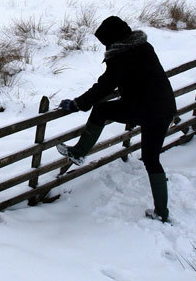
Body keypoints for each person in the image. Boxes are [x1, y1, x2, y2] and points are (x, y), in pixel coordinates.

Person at [57, 16, 177, 222]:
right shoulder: (144, 47)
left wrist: (77, 104)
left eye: (105, 42)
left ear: (113, 39)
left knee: (101, 110)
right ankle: (161, 212)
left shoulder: (122, 57)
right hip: (165, 109)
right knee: (151, 159)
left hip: (145, 109)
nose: (105, 46)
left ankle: (79, 152)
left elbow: (104, 86)